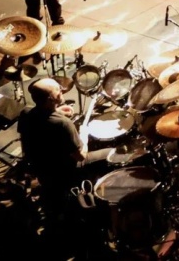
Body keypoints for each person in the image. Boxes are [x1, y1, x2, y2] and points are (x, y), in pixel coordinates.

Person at [17, 78, 110, 254]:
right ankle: (99, 199)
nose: (62, 91)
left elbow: (38, 125)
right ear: (50, 99)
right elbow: (80, 155)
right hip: (66, 171)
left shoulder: (26, 113)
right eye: (58, 91)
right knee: (109, 154)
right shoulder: (63, 124)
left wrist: (56, 111)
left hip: (42, 169)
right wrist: (84, 138)